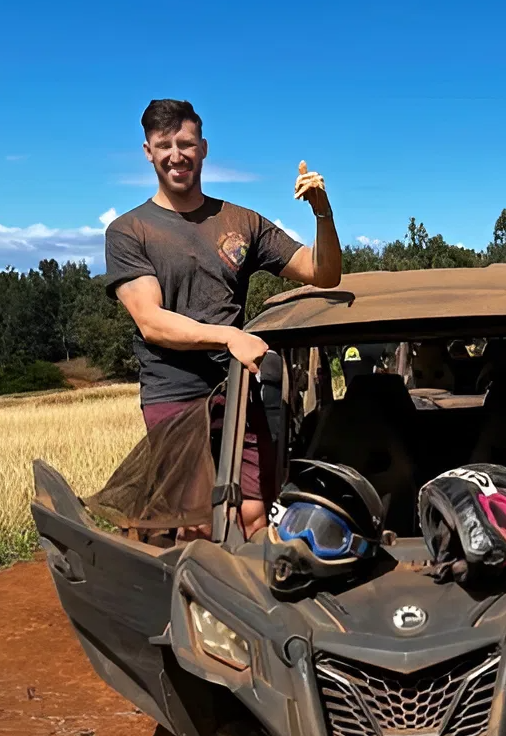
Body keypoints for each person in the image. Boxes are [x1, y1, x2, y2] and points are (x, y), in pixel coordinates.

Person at [105, 99, 342, 538]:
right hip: (173, 393)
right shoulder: (129, 230)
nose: (177, 155)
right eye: (164, 145)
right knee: (195, 522)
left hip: (237, 388)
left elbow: (323, 273)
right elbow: (152, 321)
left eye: (187, 144)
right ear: (147, 152)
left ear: (204, 148)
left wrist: (322, 212)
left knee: (253, 512)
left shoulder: (241, 221)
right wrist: (229, 336)